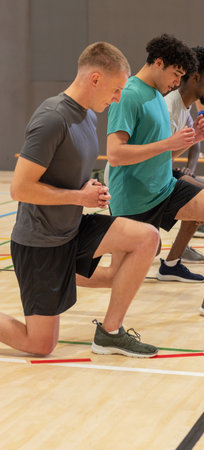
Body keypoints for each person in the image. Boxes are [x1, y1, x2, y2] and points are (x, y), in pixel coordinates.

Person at [1, 42, 161, 359]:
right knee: (41, 345)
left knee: (146, 239)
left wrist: (90, 188)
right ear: (95, 79)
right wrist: (81, 196)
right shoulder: (52, 118)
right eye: (116, 90)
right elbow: (19, 189)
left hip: (71, 230)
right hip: (40, 244)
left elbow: (66, 175)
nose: (117, 99)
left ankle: (110, 334)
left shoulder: (87, 116)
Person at [107, 33, 204, 319]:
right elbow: (115, 154)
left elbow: (162, 153)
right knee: (113, 276)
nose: (177, 81)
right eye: (176, 74)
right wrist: (170, 143)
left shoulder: (156, 95)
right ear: (159, 63)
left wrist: (190, 139)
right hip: (133, 199)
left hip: (163, 189)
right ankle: (58, 274)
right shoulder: (129, 95)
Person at [165, 46, 204, 260]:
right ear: (196, 77)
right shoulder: (169, 106)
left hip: (158, 170)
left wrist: (189, 169)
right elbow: (160, 156)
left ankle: (176, 256)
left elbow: (194, 143)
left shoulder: (185, 107)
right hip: (142, 179)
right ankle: (174, 256)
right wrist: (195, 137)